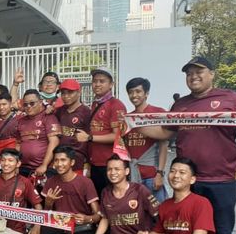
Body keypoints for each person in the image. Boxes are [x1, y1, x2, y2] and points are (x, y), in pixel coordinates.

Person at [136, 56, 236, 234]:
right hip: (188, 182)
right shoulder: (181, 105)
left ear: (212, 74)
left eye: (199, 71)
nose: (193, 76)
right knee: (187, 231)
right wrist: (133, 125)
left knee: (221, 233)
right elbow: (165, 131)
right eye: (189, 73)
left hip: (222, 180)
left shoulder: (230, 98)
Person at [83, 155, 163, 234]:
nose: (112, 172)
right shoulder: (105, 192)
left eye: (117, 169)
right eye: (109, 169)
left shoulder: (140, 190)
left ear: (126, 171)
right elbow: (105, 218)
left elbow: (159, 216)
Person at [22, 146, 100, 234]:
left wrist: (87, 218)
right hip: (59, 226)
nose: (59, 164)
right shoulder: (51, 181)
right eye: (56, 160)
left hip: (81, 227)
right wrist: (48, 203)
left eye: (63, 160)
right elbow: (46, 212)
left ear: (72, 162)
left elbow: (98, 215)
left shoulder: (85, 182)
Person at [75, 66, 127, 196]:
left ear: (111, 85)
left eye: (102, 81)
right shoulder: (95, 104)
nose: (97, 84)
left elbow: (117, 136)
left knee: (113, 199)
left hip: (110, 164)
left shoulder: (116, 105)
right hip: (95, 162)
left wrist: (89, 138)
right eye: (95, 81)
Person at [124, 77, 168, 202]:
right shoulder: (128, 118)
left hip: (152, 175)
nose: (134, 95)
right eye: (131, 92)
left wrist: (159, 173)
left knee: (158, 212)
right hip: (133, 175)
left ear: (146, 93)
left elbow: (163, 146)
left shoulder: (157, 113)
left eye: (138, 91)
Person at [14, 89, 60, 178]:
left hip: (43, 169)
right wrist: (16, 164)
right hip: (23, 168)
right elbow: (18, 144)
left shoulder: (48, 117)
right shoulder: (21, 121)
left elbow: (54, 142)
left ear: (40, 102)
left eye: (32, 103)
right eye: (25, 104)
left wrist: (44, 165)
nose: (28, 106)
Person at [54, 79, 91, 174]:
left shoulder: (86, 112)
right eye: (63, 93)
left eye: (70, 93)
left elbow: (89, 141)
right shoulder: (59, 111)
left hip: (78, 160)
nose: (66, 96)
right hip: (61, 159)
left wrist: (87, 163)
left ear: (79, 92)